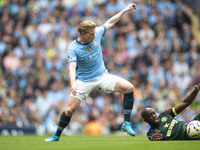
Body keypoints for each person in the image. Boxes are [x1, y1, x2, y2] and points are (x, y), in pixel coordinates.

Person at [45, 3, 137, 142]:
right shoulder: (73, 48)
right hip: (84, 81)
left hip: (102, 76)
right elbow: (71, 67)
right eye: (91, 34)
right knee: (69, 110)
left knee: (129, 88)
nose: (95, 36)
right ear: (82, 33)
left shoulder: (97, 33)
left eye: (94, 33)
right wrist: (73, 83)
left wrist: (125, 10)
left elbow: (110, 22)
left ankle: (126, 123)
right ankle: (56, 135)